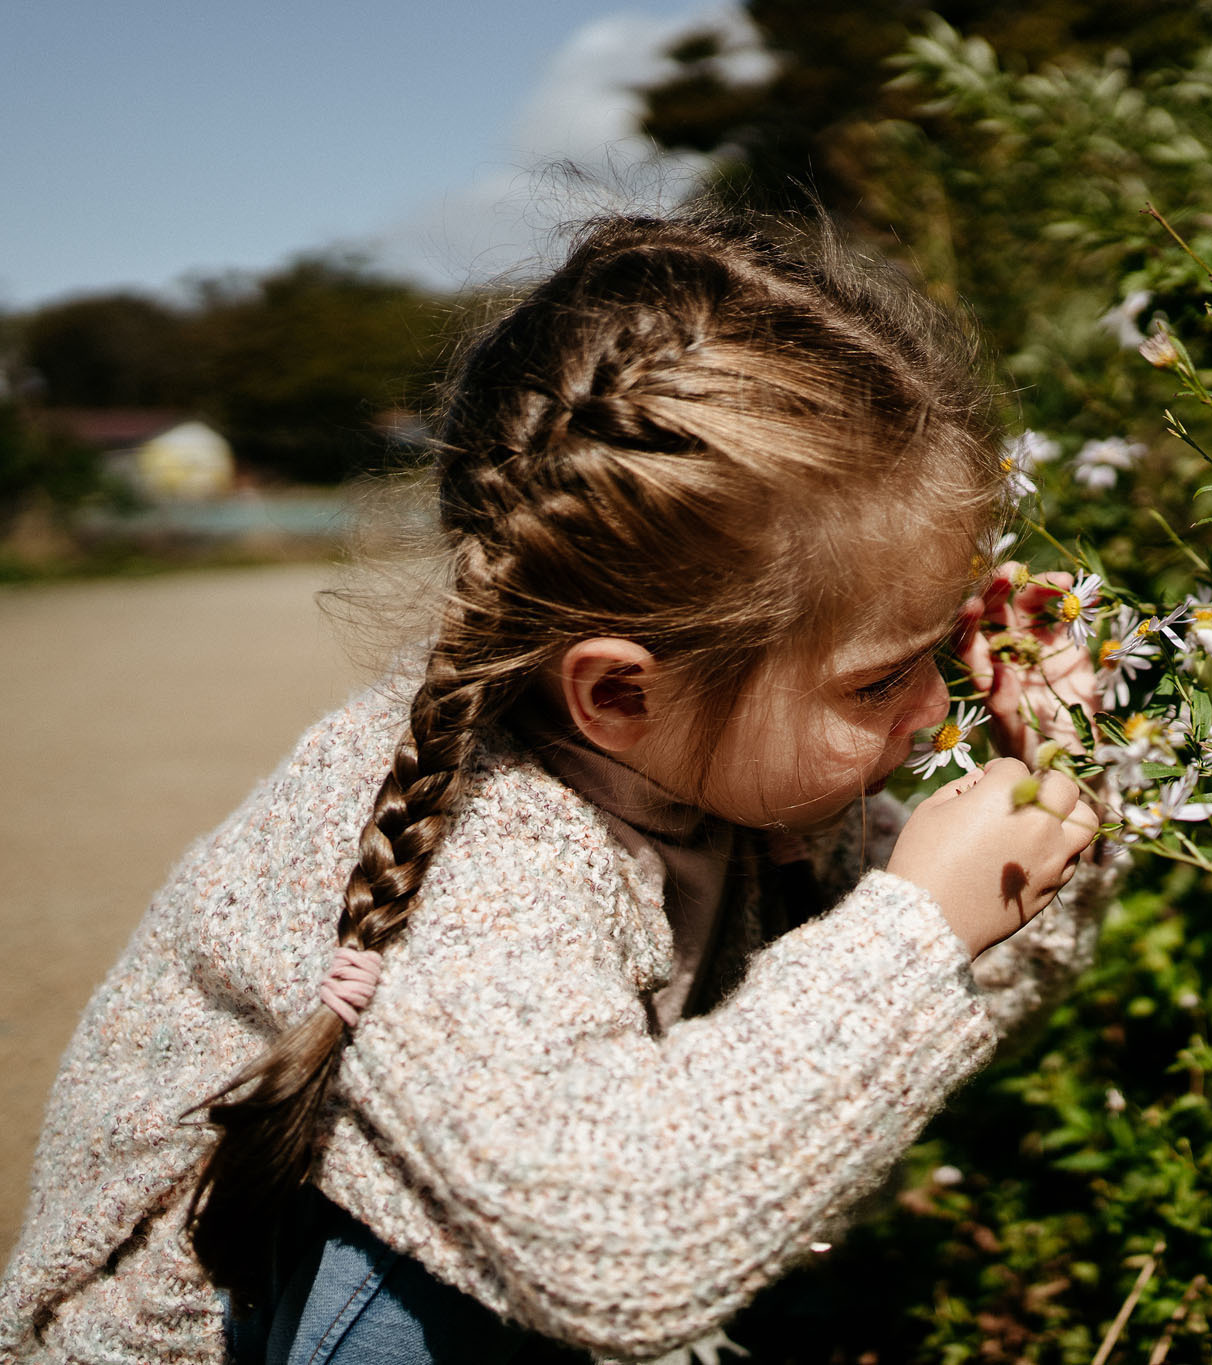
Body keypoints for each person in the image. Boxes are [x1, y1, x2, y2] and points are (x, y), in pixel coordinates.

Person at [0, 203, 1118, 1363]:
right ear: (619, 693)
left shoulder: (724, 766)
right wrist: (912, 932)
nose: (933, 710)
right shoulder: (473, 851)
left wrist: (1056, 780)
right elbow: (619, 1245)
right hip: (239, 1333)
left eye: (941, 650)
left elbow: (956, 988)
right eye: (881, 677)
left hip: (579, 1265)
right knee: (456, 1235)